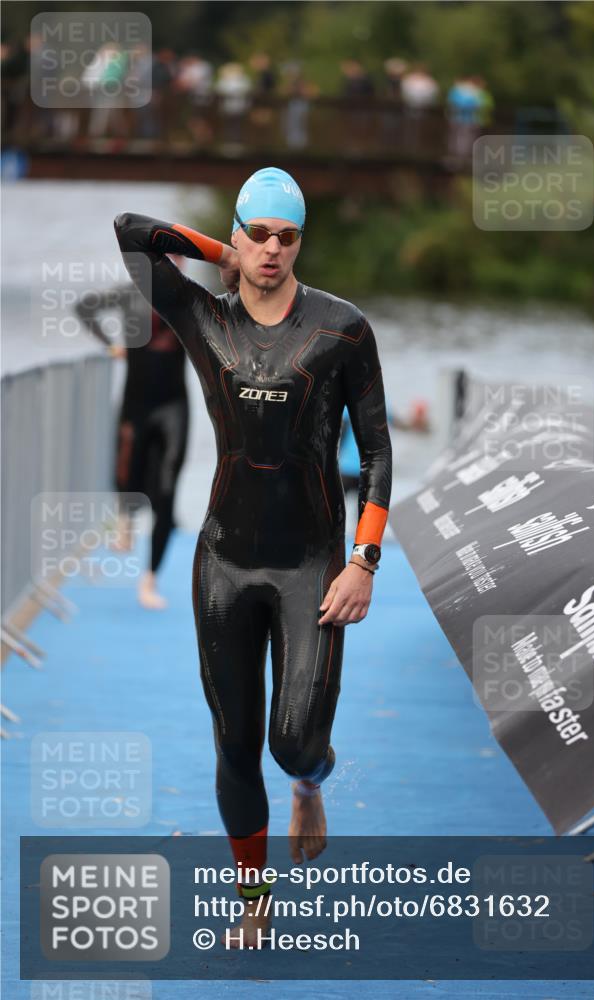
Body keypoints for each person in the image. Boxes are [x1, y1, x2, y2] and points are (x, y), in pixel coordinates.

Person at [113, 167, 392, 948]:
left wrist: (362, 561)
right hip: (224, 564)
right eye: (258, 233)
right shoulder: (203, 317)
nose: (272, 249)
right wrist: (217, 256)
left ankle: (309, 782)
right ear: (240, 234)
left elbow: (376, 452)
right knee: (233, 744)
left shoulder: (342, 329)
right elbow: (132, 233)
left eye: (286, 235)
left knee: (293, 741)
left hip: (312, 565)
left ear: (303, 240)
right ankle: (254, 899)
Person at [74, 257, 189, 609]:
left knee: (168, 491)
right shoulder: (129, 294)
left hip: (174, 406)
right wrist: (110, 345)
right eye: (165, 257)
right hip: (136, 406)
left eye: (178, 257)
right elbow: (85, 308)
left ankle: (150, 579)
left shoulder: (188, 298)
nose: (173, 264)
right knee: (128, 475)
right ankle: (124, 520)